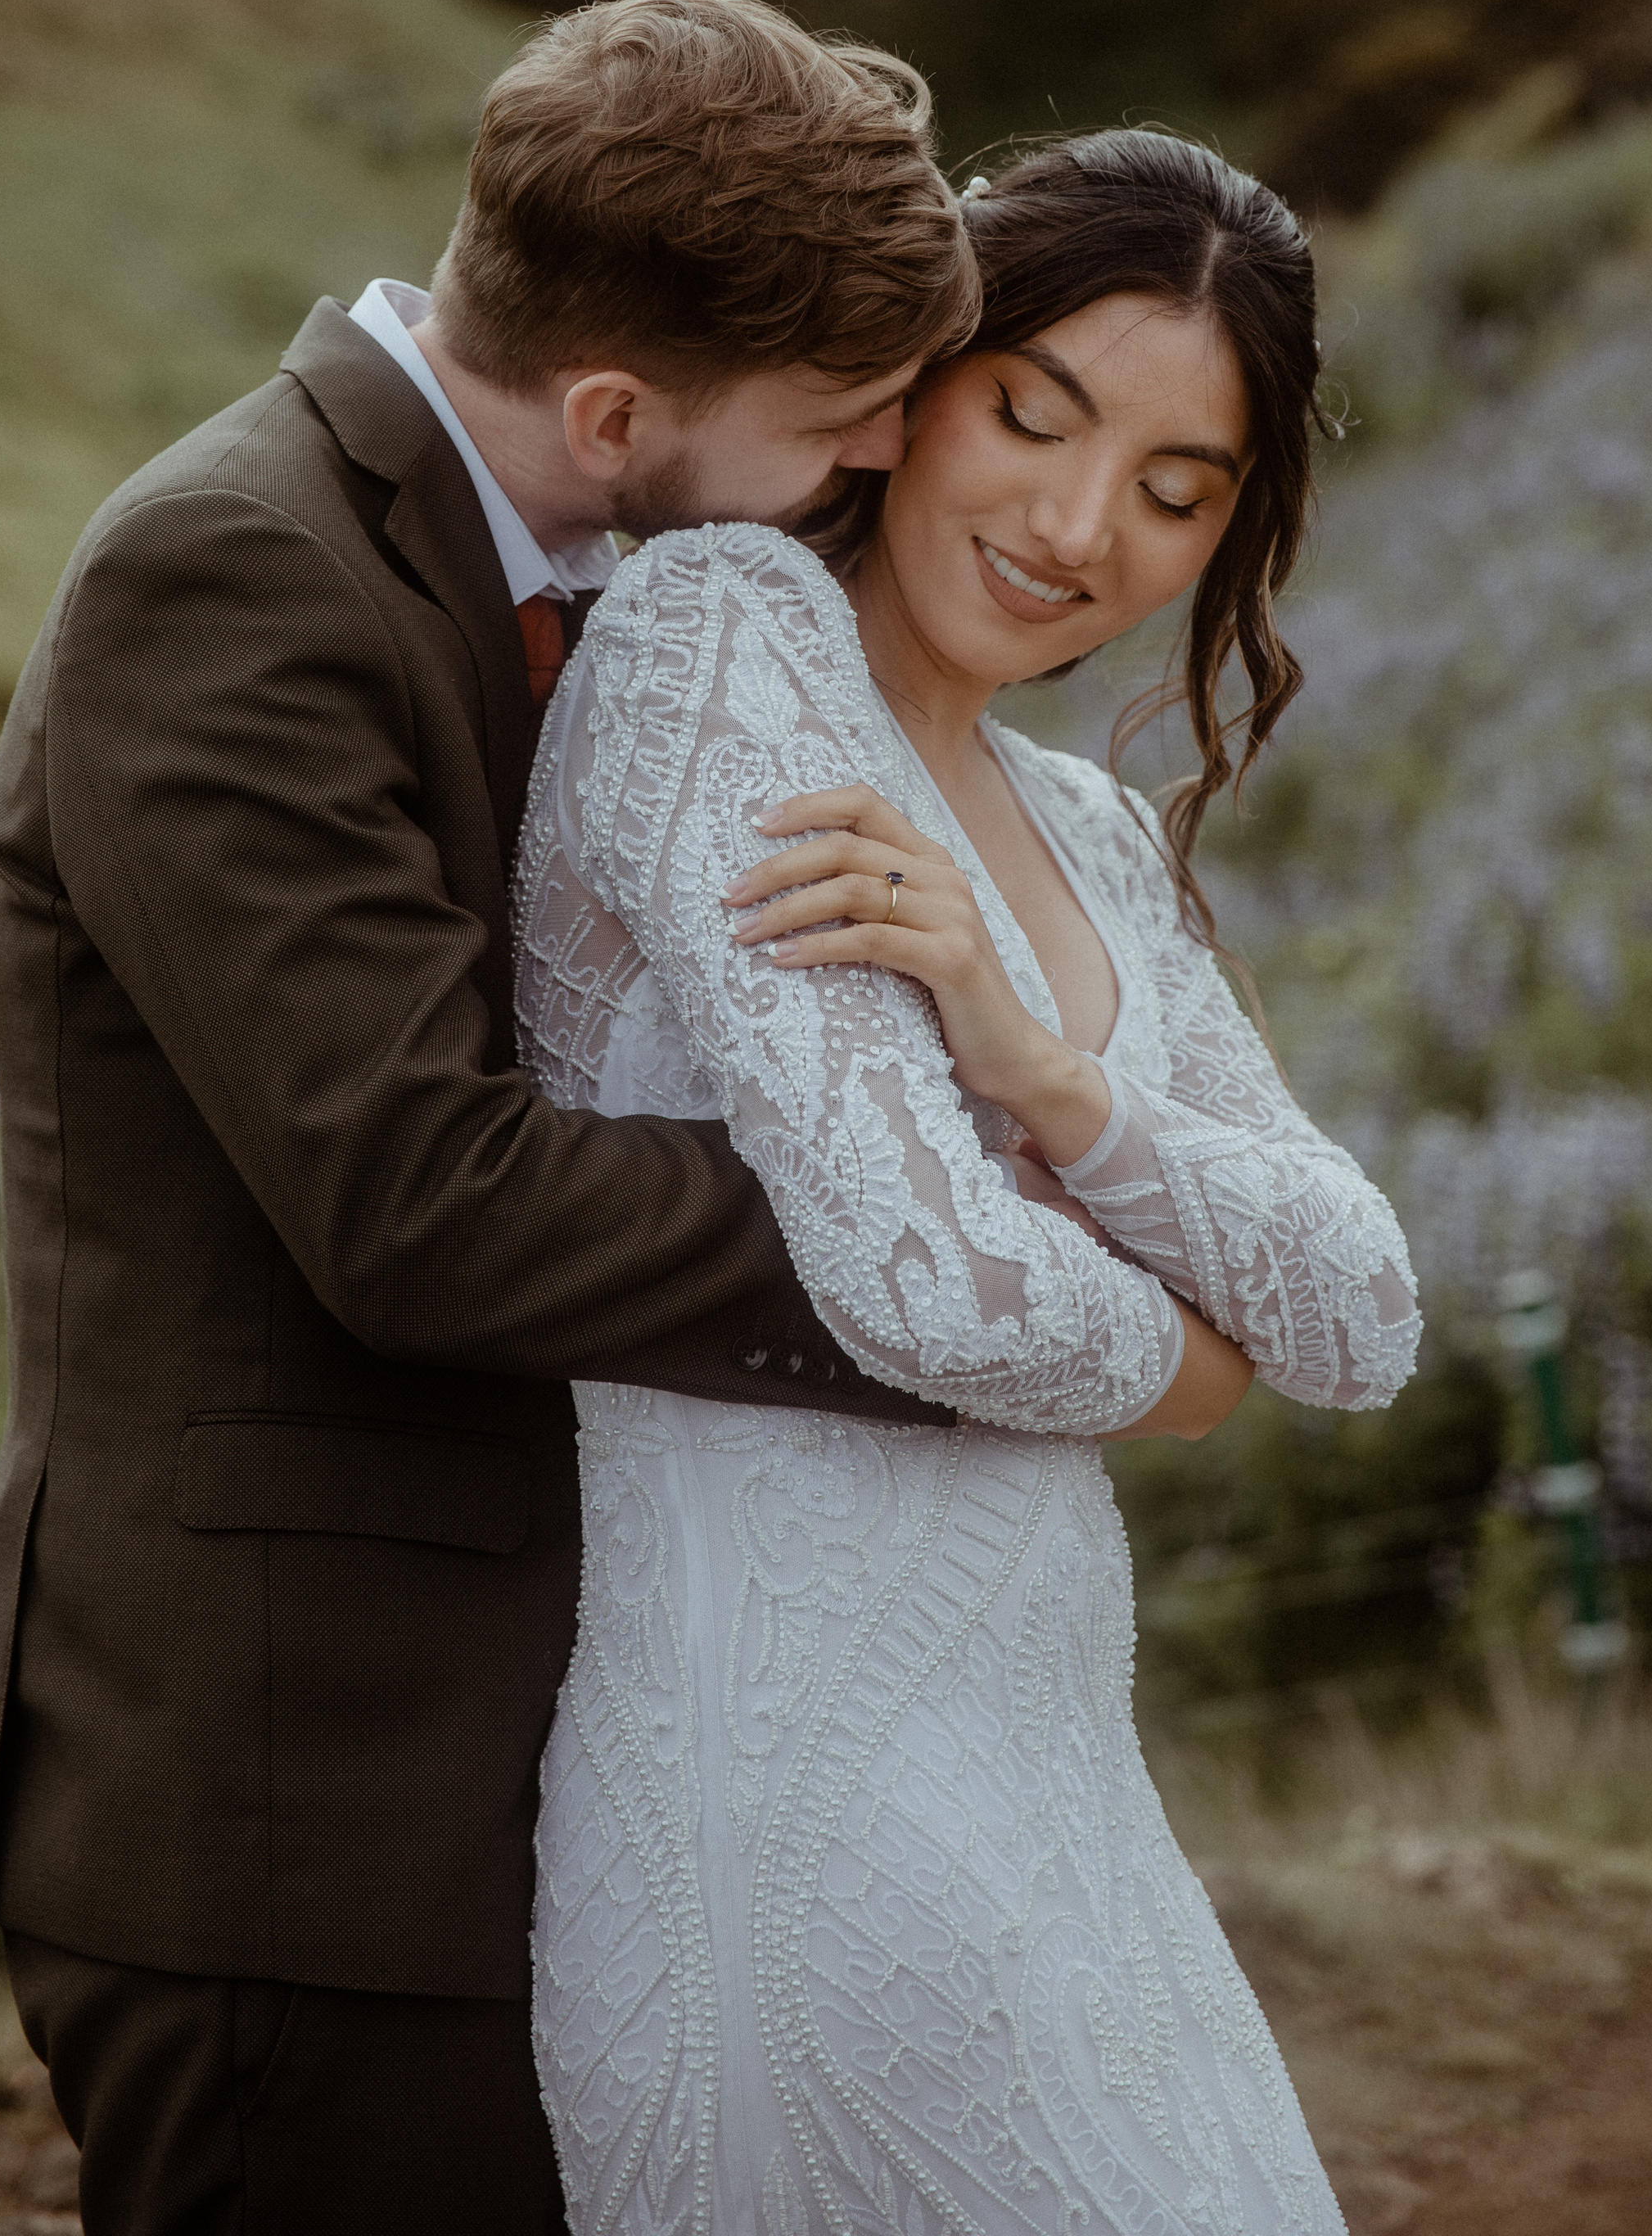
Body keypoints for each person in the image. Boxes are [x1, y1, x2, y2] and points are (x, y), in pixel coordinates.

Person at [0, 0, 989, 2232]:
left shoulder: (608, 573)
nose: (886, 458)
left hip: (530, 1792)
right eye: (842, 417)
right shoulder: (228, 574)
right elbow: (420, 1205)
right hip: (293, 1817)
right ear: (613, 406)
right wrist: (952, 1225)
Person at [518, 127, 1423, 2234]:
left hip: (1058, 1805)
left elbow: (1364, 1313)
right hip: (788, 1820)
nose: (1076, 526)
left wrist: (1047, 1082)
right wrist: (1201, 1373)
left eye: (1175, 494)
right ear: (915, 378)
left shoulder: (1084, 838)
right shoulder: (724, 644)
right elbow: (930, 1292)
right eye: (1035, 415)